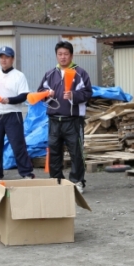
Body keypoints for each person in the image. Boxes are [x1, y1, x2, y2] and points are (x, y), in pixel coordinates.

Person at [38, 41, 93, 194]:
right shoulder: (50, 74)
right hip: (54, 120)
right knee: (54, 152)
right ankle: (56, 180)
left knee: (76, 152)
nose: (63, 57)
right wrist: (47, 94)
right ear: (56, 56)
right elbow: (40, 92)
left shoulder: (80, 73)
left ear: (71, 55)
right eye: (60, 54)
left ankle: (77, 181)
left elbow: (88, 93)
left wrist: (73, 95)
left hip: (73, 120)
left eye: (66, 54)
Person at [0, 46, 34, 185]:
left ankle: (27, 173)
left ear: (12, 59)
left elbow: (24, 95)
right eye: (1, 57)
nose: (4, 60)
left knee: (18, 145)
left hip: (13, 114)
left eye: (6, 57)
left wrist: (9, 100)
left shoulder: (19, 76)